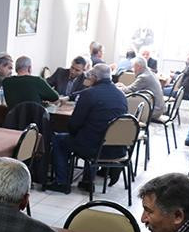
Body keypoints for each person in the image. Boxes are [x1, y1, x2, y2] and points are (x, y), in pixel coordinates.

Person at [47, 64, 128, 193]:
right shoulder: (121, 95)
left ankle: (61, 182)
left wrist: (74, 133)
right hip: (116, 148)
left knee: (59, 139)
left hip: (93, 148)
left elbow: (74, 124)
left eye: (89, 76)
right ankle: (87, 181)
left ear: (95, 77)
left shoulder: (89, 94)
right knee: (93, 134)